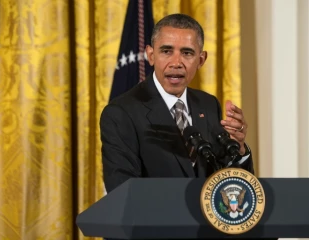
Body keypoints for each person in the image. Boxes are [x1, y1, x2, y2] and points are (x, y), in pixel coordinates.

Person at [100, 13, 254, 193]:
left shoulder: (208, 105)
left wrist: (240, 148)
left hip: (207, 221)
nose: (176, 62)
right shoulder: (121, 113)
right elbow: (122, 191)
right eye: (166, 51)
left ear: (201, 60)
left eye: (187, 53)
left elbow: (232, 186)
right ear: (151, 55)